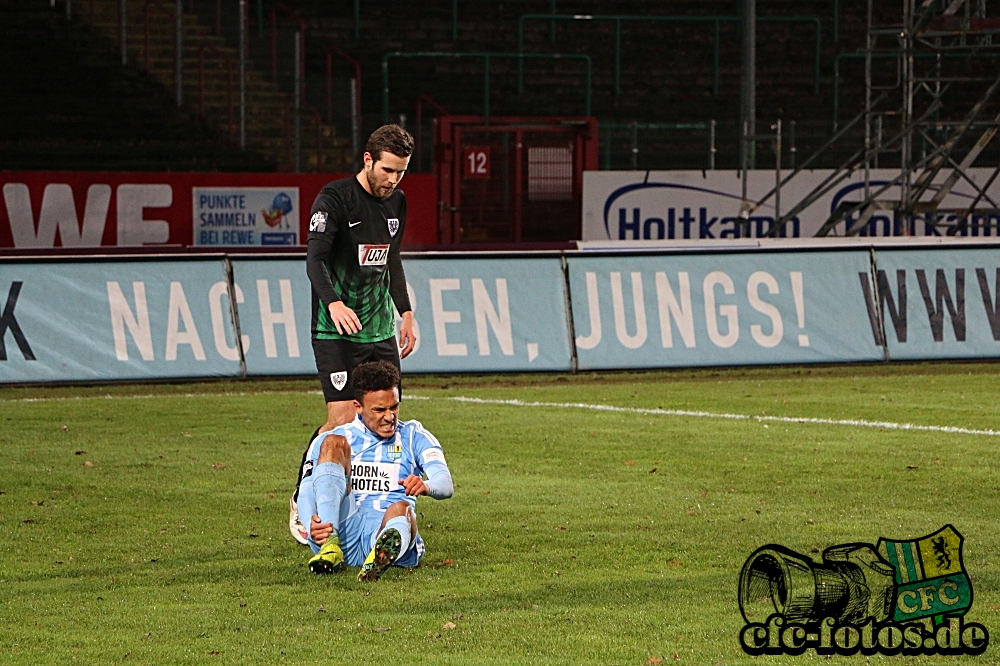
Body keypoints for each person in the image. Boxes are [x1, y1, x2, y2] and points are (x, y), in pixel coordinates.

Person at [289, 124, 418, 544]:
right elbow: (314, 261)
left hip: (379, 329)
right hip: (336, 330)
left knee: (382, 412)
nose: (393, 179)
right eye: (387, 170)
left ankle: (369, 503)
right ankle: (301, 496)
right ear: (368, 160)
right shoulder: (334, 200)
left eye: (400, 172)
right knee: (343, 416)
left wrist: (407, 313)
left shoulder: (397, 201)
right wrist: (333, 303)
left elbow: (392, 261)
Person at [296, 360, 453, 581]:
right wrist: (309, 522)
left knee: (402, 508)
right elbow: (305, 489)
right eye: (379, 410)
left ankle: (378, 556)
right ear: (357, 407)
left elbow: (445, 484)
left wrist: (426, 485)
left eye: (394, 407)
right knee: (333, 443)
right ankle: (330, 545)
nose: (389, 417)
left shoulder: (414, 436)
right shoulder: (329, 439)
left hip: (386, 526)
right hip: (343, 527)